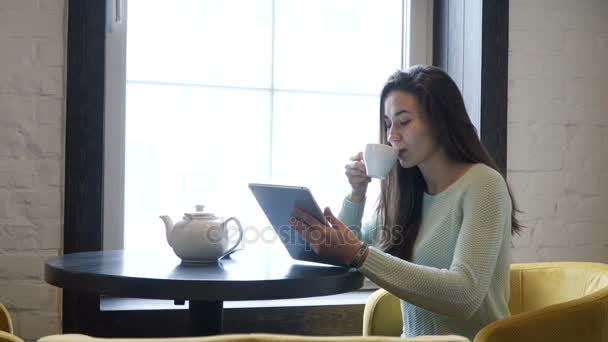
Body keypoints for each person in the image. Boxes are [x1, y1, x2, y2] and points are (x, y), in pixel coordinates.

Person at [289, 65, 523, 340]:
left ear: (440, 120)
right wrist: (357, 194)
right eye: (388, 124)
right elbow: (349, 252)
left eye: (403, 121)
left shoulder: (483, 184)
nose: (391, 136)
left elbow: (465, 295)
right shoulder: (406, 194)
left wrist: (359, 254)